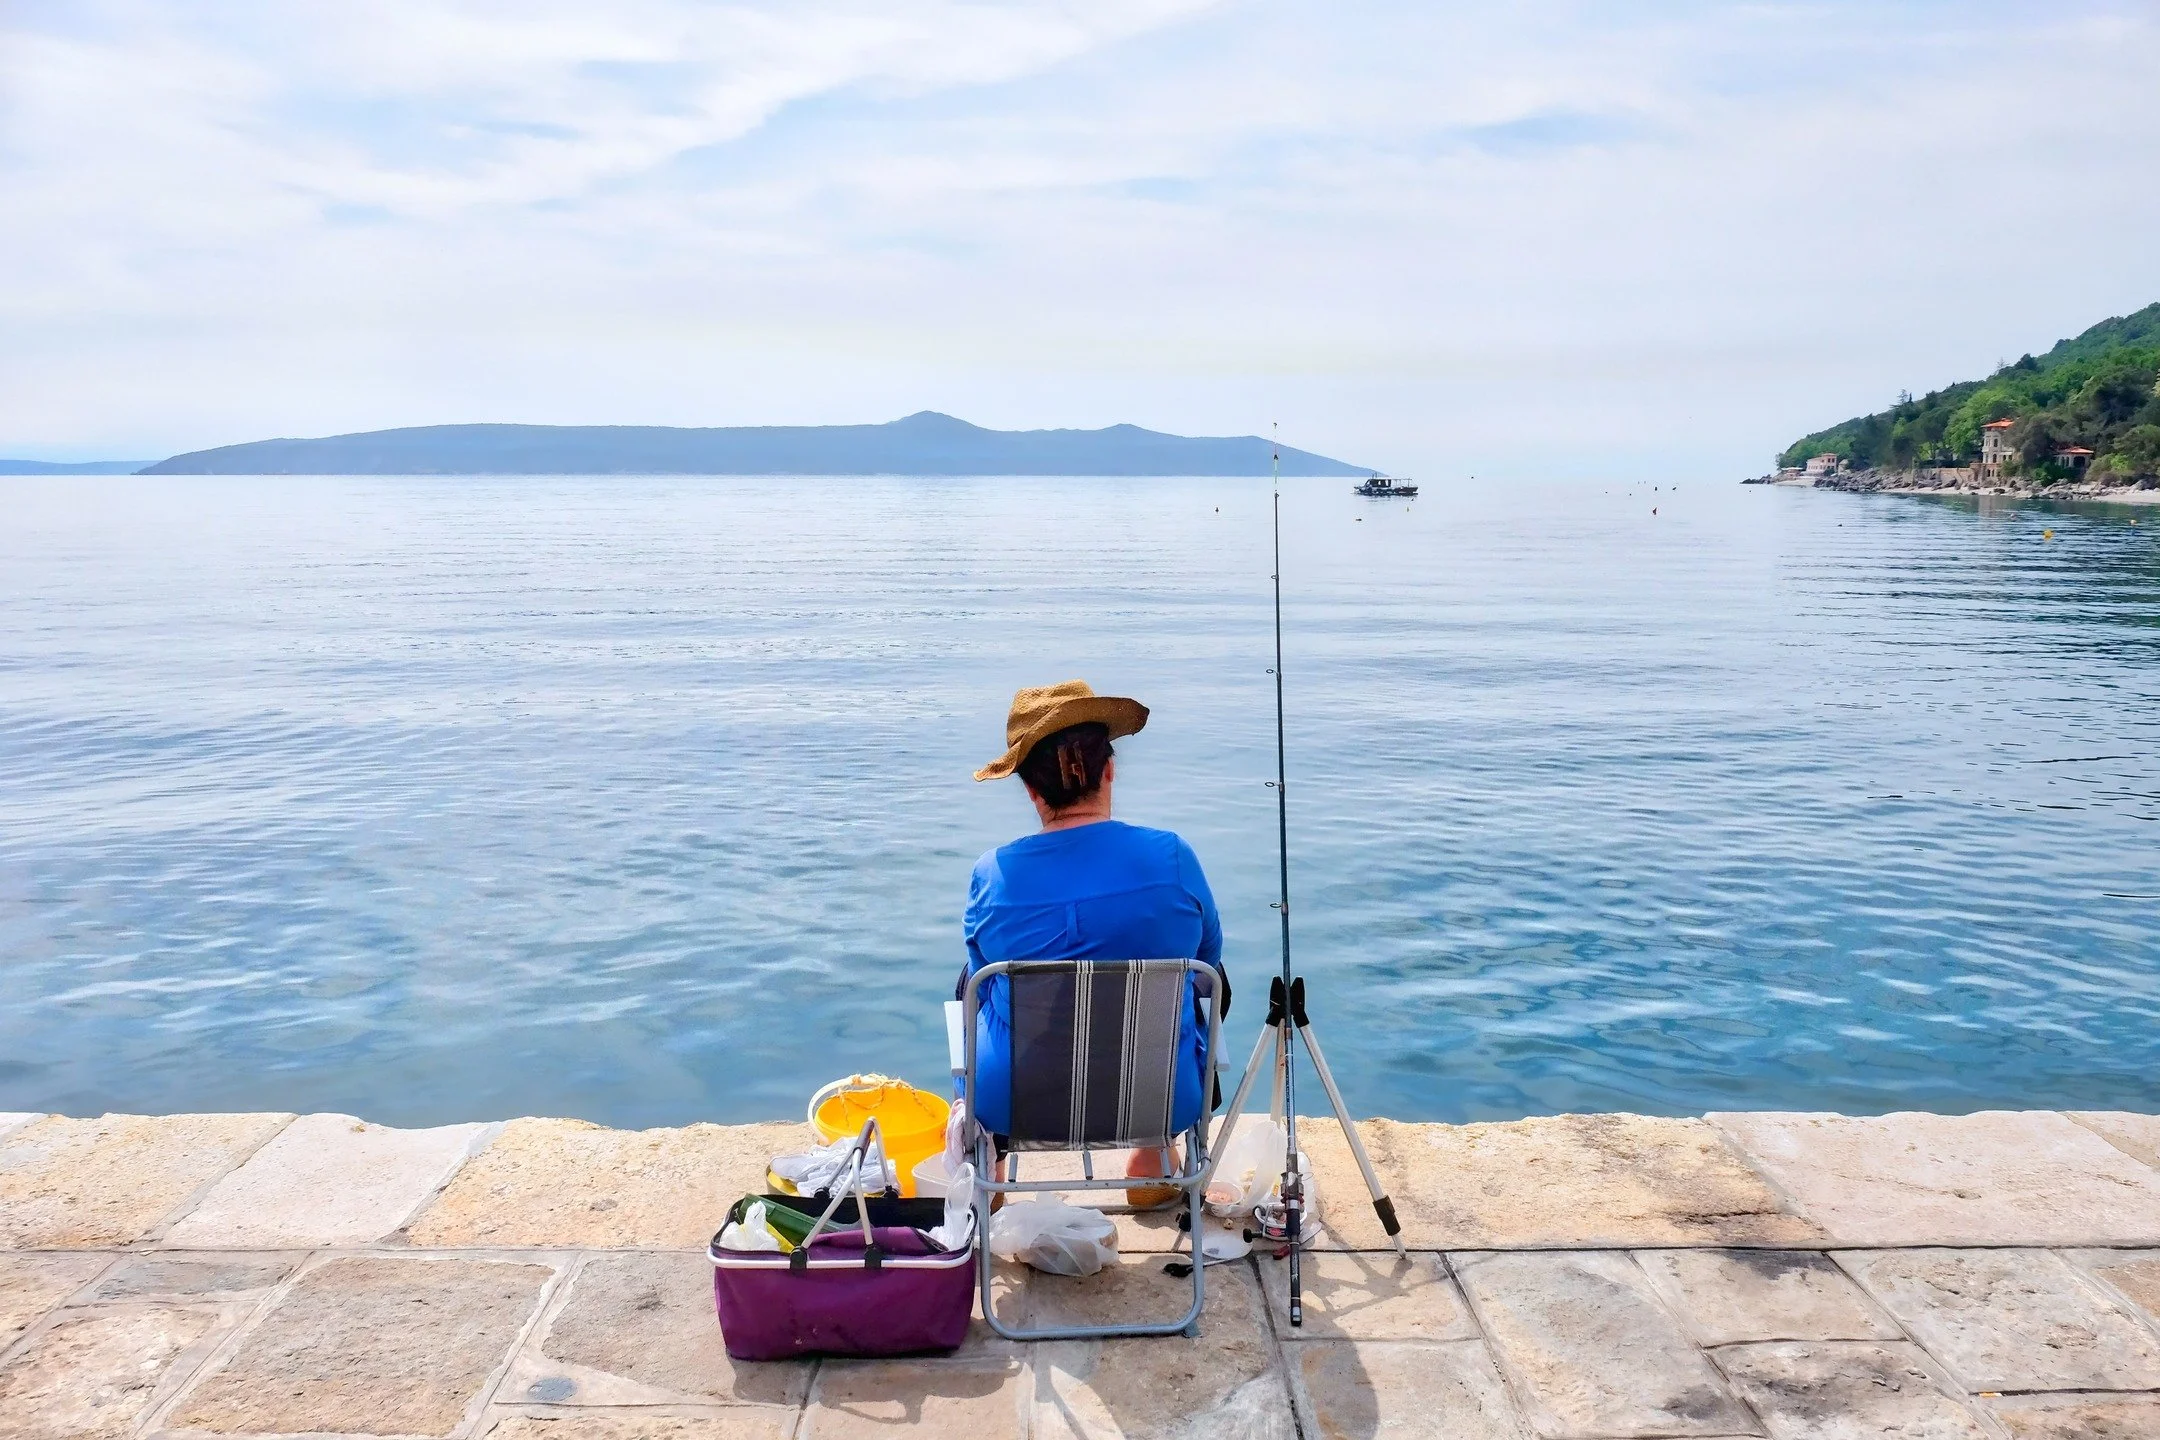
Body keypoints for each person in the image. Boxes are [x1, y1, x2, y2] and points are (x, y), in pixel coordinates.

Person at [960, 680, 1230, 1200]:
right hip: (1162, 1097)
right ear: (1109, 771)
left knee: (980, 983)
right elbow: (1207, 968)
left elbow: (977, 983)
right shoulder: (1173, 856)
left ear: (1031, 791)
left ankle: (990, 1166)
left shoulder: (992, 874)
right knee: (1195, 979)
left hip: (1014, 1102)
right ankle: (1153, 1157)